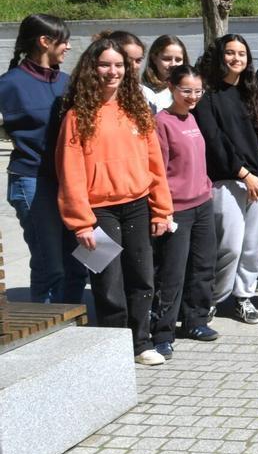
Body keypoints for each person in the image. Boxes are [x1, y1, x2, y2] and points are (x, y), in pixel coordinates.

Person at [56, 37, 172, 365]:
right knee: (107, 283)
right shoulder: (77, 116)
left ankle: (140, 343)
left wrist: (162, 208)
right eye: (105, 64)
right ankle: (112, 349)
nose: (113, 71)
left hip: (137, 205)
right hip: (97, 211)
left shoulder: (137, 110)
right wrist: (81, 223)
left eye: (119, 65)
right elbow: (70, 173)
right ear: (92, 68)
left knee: (142, 278)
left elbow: (155, 165)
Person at [193, 34, 258, 325]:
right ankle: (215, 298)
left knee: (254, 245)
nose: (236, 59)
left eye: (241, 53)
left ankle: (244, 296)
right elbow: (215, 141)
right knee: (229, 244)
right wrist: (244, 174)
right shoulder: (208, 95)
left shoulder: (251, 92)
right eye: (230, 53)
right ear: (220, 56)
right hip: (228, 180)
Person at [0, 14, 86, 304]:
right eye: (64, 41)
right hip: (33, 181)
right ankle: (48, 331)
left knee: (85, 258)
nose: (69, 48)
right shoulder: (10, 84)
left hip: (72, 182)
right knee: (51, 265)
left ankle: (75, 321)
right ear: (44, 41)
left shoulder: (66, 82)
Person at [151, 64, 219, 359]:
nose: (192, 96)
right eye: (186, 91)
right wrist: (162, 211)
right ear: (171, 88)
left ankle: (196, 321)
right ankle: (162, 333)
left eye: (198, 91)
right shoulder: (162, 122)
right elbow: (158, 170)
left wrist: (205, 186)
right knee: (172, 273)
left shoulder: (192, 117)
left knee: (204, 266)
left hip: (202, 202)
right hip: (176, 208)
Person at [141, 35, 189, 113]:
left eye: (178, 60)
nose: (173, 64)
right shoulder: (143, 92)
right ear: (154, 59)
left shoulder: (191, 91)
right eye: (167, 59)